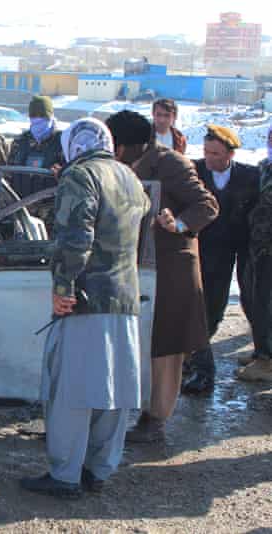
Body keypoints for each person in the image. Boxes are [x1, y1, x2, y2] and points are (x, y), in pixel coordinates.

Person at [20, 118, 151, 499]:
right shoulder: (129, 177)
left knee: (71, 392)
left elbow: (77, 236)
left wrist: (63, 285)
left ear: (73, 145)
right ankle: (99, 468)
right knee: (112, 392)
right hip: (124, 297)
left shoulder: (81, 176)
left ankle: (65, 475)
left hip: (86, 298)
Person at [104, 111, 218, 442]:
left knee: (165, 347)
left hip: (171, 269)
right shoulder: (122, 164)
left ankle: (156, 420)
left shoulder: (171, 164)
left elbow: (207, 204)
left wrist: (179, 223)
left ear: (124, 146)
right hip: (135, 265)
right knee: (138, 341)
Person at [183, 125, 260, 394]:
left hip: (234, 250)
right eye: (206, 152)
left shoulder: (250, 176)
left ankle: (195, 352)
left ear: (230, 153)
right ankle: (195, 361)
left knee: (216, 308)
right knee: (196, 306)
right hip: (200, 248)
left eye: (216, 153)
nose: (209, 158)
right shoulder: (195, 170)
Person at [239, 127, 272, 381]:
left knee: (267, 303)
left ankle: (267, 360)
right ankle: (262, 351)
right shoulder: (263, 167)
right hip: (257, 247)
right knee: (255, 300)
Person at [8, 95, 65, 176]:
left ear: (51, 116)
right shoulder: (20, 142)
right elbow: (8, 173)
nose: (38, 119)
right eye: (33, 116)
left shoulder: (62, 142)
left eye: (42, 116)